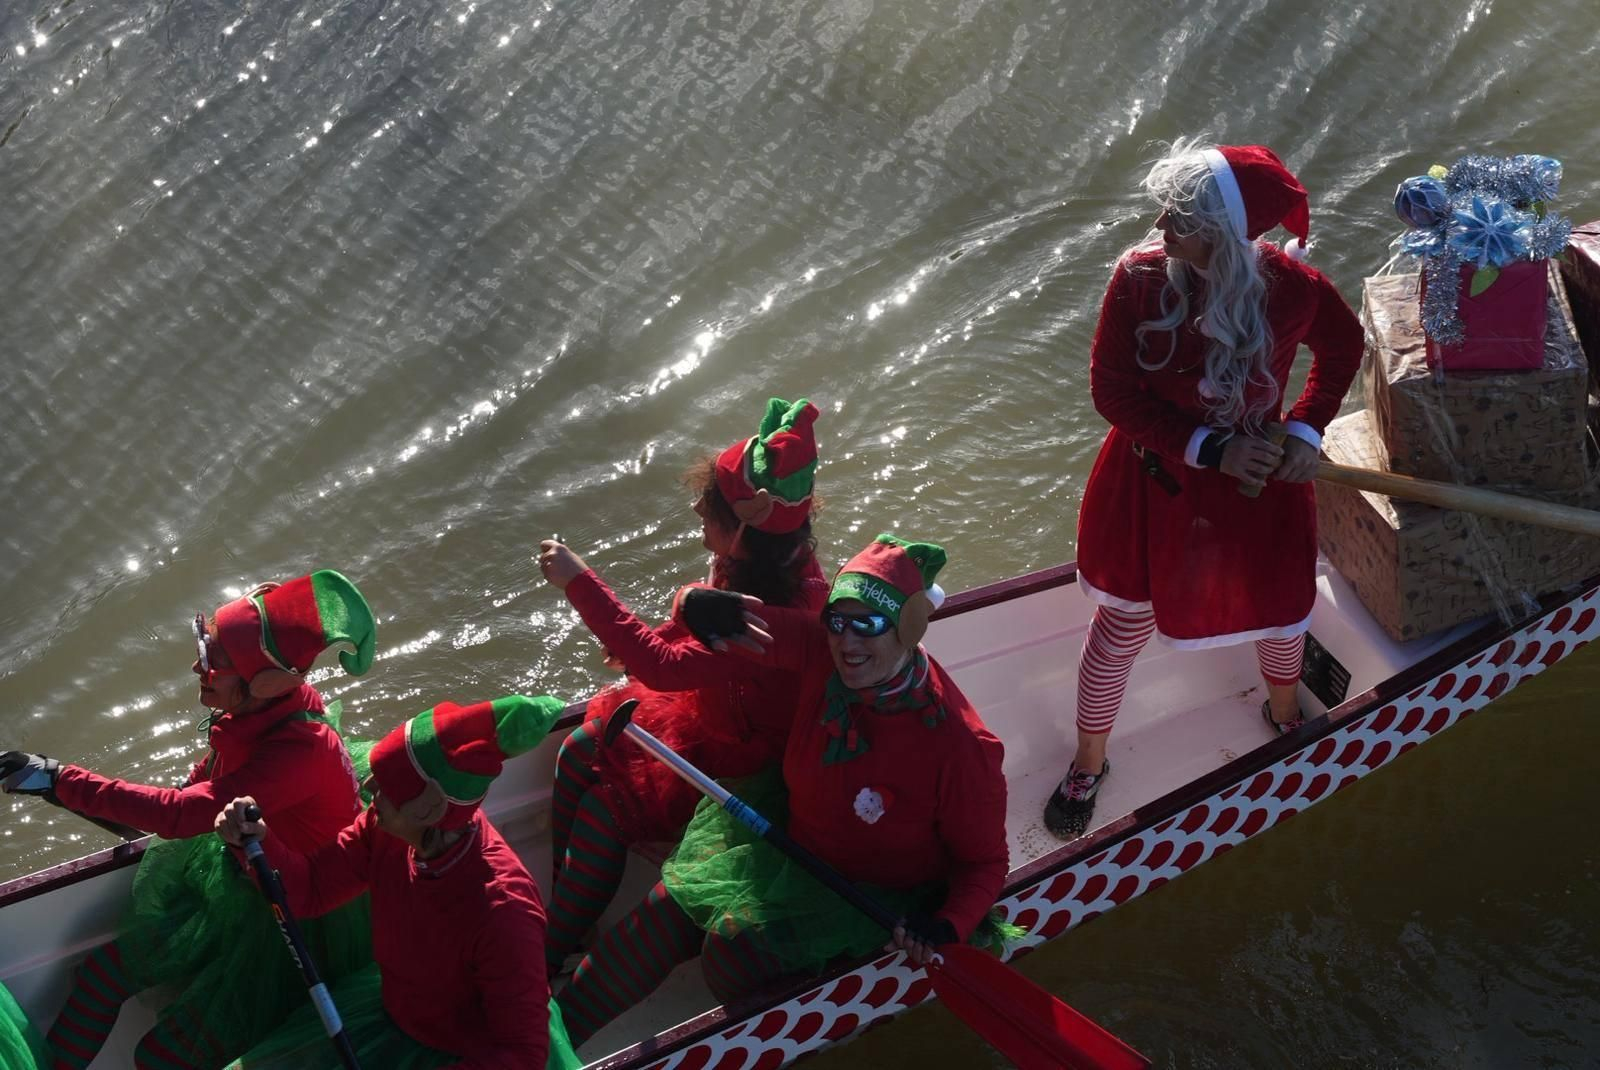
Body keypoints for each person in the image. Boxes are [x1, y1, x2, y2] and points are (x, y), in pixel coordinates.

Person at [538, 533, 1015, 1047]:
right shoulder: (818, 646)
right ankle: (537, 1047)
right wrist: (690, 601)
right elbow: (724, 622)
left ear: (910, 626)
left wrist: (947, 926)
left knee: (729, 954)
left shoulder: (962, 746)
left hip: (876, 893)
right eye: (837, 620)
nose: (847, 644)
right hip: (795, 839)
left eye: (868, 625)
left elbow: (985, 864)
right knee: (663, 913)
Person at [1042, 140, 1365, 840]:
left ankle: (1282, 712)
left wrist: (1306, 432)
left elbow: (1345, 347)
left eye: (1180, 217)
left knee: (1281, 613)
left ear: (1221, 234)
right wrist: (1208, 446)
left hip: (1255, 489)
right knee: (1119, 627)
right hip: (1155, 480)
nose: (1160, 226)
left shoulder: (1294, 288)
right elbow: (1112, 392)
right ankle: (1088, 761)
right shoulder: (1135, 280)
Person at [0, 570, 378, 1070]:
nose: (195, 666)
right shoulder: (251, 713)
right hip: (239, 871)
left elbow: (182, 815)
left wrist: (61, 780)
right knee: (99, 979)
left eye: (211, 661)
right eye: (204, 648)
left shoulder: (300, 754)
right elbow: (202, 783)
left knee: (158, 1057)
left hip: (295, 920)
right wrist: (78, 788)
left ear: (263, 682)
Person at [541, 397, 829, 977]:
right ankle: (566, 921)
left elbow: (663, 668)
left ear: (746, 528)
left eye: (711, 505)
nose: (698, 506)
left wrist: (579, 581)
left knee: (604, 811)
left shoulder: (769, 617)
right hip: (709, 711)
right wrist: (681, 607)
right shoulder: (748, 567)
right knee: (576, 752)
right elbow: (687, 630)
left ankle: (549, 952)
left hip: (748, 763)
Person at [214, 694, 580, 1070]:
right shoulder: (386, 828)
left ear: (428, 809)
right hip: (398, 1013)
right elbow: (312, 887)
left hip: (464, 1054)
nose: (369, 785)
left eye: (387, 784)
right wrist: (256, 841)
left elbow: (522, 1056)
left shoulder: (504, 910)